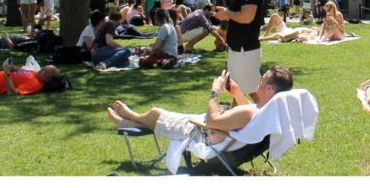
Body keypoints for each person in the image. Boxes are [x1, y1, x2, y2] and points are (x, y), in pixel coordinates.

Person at [103, 64, 293, 152]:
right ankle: (127, 120)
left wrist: (215, 92)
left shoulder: (250, 112)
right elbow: (247, 116)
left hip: (201, 130)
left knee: (155, 113)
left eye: (263, 79)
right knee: (154, 115)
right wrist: (236, 93)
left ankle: (128, 119)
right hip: (215, 129)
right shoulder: (266, 111)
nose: (259, 80)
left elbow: (212, 121)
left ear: (269, 88)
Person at [209, 0, 270, 96]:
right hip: (242, 49)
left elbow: (246, 16)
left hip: (244, 50)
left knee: (253, 93)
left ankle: (269, 115)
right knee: (238, 90)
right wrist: (228, 11)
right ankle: (236, 115)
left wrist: (227, 14)